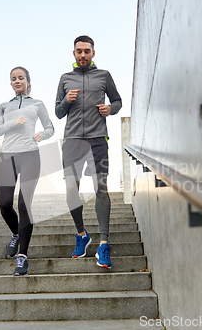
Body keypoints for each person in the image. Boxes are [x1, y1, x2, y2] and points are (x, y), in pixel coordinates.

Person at [55, 35, 122, 269]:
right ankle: (82, 234)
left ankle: (103, 242)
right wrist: (66, 100)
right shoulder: (65, 79)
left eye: (87, 51)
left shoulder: (104, 76)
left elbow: (118, 101)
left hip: (97, 140)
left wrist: (110, 109)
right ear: (73, 54)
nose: (83, 54)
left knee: (101, 188)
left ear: (93, 53)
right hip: (72, 140)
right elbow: (58, 112)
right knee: (71, 188)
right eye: (79, 51)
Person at [0, 66, 54, 276]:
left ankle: (22, 256)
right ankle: (16, 234)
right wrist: (12, 122)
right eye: (13, 79)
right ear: (10, 83)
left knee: (23, 203)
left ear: (28, 81)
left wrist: (42, 136)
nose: (17, 81)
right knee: (4, 205)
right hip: (7, 155)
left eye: (21, 78)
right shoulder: (3, 106)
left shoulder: (37, 104)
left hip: (30, 155)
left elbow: (50, 127)